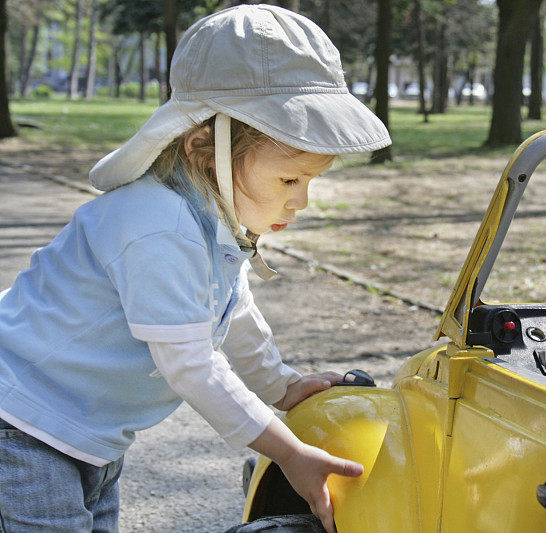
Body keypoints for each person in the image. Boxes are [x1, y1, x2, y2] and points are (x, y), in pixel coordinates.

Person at [0, 6, 390, 533]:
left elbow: (233, 309)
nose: (301, 203)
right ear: (207, 148)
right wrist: (287, 452)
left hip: (86, 432)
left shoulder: (207, 218)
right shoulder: (158, 224)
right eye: (289, 181)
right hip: (23, 424)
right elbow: (191, 363)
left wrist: (278, 383)